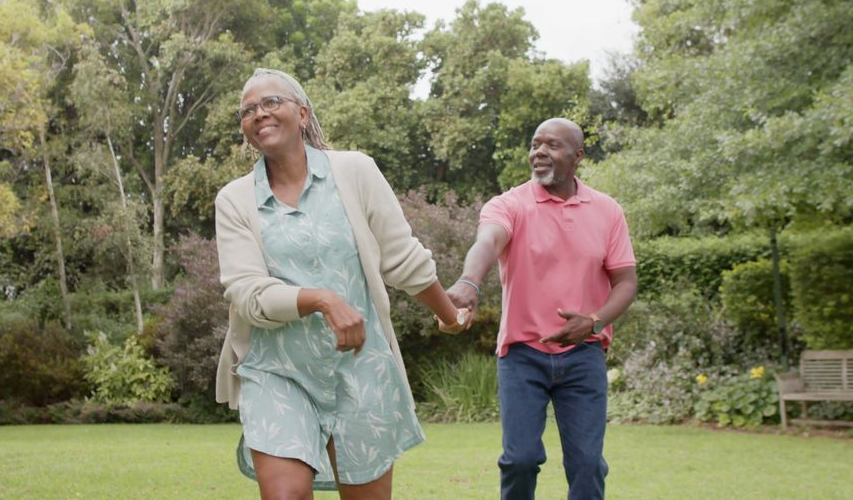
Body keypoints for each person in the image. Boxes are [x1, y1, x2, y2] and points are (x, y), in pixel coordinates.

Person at [213, 68, 471, 500]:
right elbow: (247, 293)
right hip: (278, 371)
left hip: (360, 368)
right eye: (248, 110)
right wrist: (321, 299)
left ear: (302, 111)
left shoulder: (354, 171)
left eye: (271, 102)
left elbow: (402, 257)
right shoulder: (235, 200)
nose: (259, 113)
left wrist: (450, 316)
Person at [446, 118, 637, 500]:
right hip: (522, 356)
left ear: (578, 156)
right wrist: (469, 280)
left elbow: (626, 283)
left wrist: (593, 321)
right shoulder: (510, 204)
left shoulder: (607, 211)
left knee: (587, 464)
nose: (539, 152)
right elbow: (488, 240)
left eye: (552, 145)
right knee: (520, 459)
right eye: (535, 144)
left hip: (583, 356)